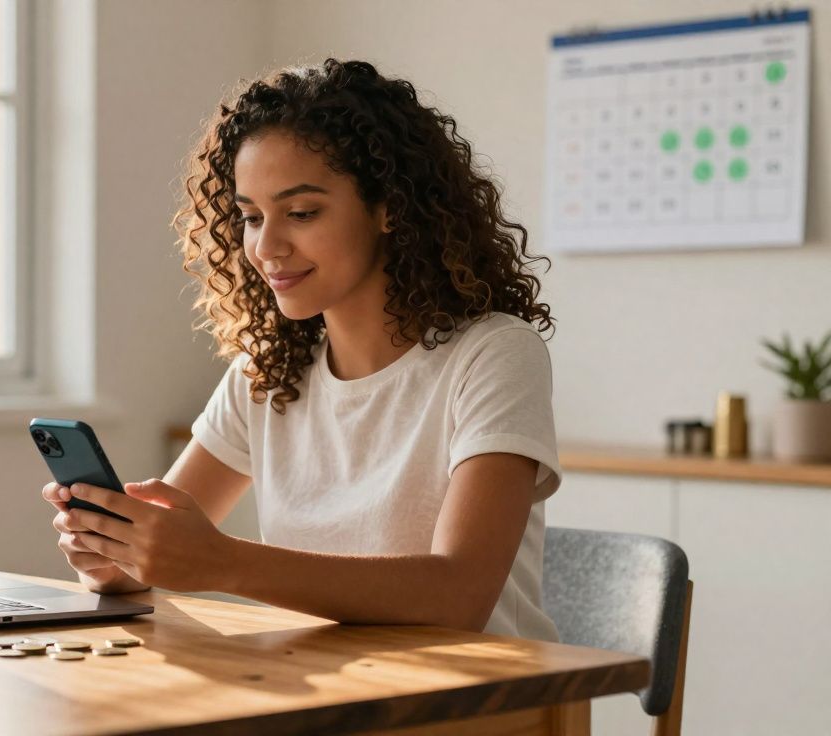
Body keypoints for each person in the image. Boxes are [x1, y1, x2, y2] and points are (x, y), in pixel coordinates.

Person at [41, 58, 561, 640]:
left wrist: (222, 562)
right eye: (251, 217)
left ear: (389, 206)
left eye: (302, 213)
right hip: (322, 688)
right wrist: (117, 555)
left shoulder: (492, 354)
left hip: (484, 705)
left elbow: (460, 595)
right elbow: (157, 553)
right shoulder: (267, 372)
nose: (266, 246)